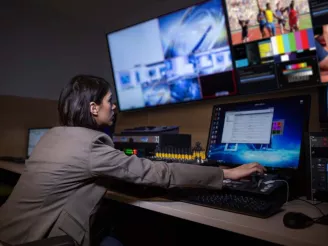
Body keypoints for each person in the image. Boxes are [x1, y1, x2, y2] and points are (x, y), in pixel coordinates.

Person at [0, 75, 266, 246]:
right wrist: (225, 174)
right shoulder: (91, 144)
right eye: (109, 101)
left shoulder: (52, 136)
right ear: (93, 108)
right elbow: (156, 172)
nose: (113, 107)